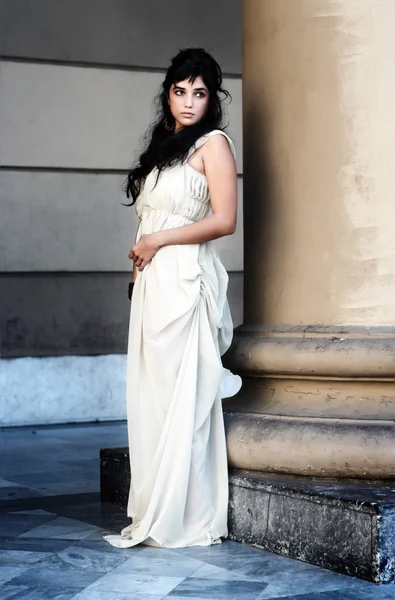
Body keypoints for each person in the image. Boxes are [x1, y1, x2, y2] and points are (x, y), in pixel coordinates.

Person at [104, 48, 242, 549]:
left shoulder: (215, 146)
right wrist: (141, 265)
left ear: (211, 99)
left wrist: (158, 242)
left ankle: (183, 514)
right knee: (153, 398)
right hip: (151, 286)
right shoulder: (165, 150)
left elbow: (224, 220)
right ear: (168, 94)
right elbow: (150, 220)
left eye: (199, 93)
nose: (188, 102)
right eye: (180, 91)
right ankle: (153, 506)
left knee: (181, 398)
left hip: (184, 281)